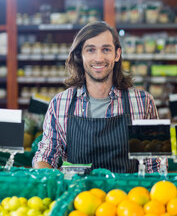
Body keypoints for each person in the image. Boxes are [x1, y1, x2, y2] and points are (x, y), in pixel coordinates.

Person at [32, 21, 160, 173]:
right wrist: (45, 174)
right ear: (80, 55)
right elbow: (46, 155)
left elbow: (154, 163)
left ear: (117, 54)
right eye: (91, 50)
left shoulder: (143, 102)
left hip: (126, 194)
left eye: (106, 49)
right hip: (78, 195)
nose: (99, 58)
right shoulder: (60, 103)